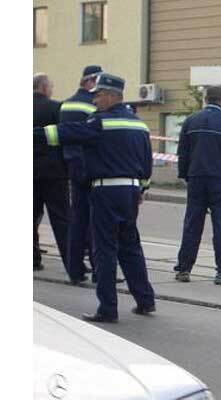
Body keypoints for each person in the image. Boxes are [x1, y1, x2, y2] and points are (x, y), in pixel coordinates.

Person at [34, 73, 155, 323]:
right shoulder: (139, 125)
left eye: (98, 96)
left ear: (111, 97)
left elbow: (61, 134)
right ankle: (145, 300)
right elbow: (146, 164)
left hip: (105, 191)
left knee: (104, 249)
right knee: (131, 247)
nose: (95, 101)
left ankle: (107, 309)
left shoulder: (99, 124)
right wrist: (141, 190)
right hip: (131, 193)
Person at [174, 86, 221, 285]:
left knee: (192, 224)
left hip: (196, 178)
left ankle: (183, 269)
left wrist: (185, 175)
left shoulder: (191, 121)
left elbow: (182, 152)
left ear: (206, 99)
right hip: (220, 181)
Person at [60, 65, 102, 284]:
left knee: (77, 219)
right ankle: (100, 269)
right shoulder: (91, 106)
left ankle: (75, 269)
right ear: (90, 81)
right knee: (96, 219)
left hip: (71, 163)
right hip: (89, 165)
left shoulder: (66, 104)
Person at [33, 73, 70, 273]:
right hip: (54, 171)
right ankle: (70, 263)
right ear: (44, 87)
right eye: (51, 86)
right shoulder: (56, 107)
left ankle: (33, 259)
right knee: (61, 218)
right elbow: (63, 136)